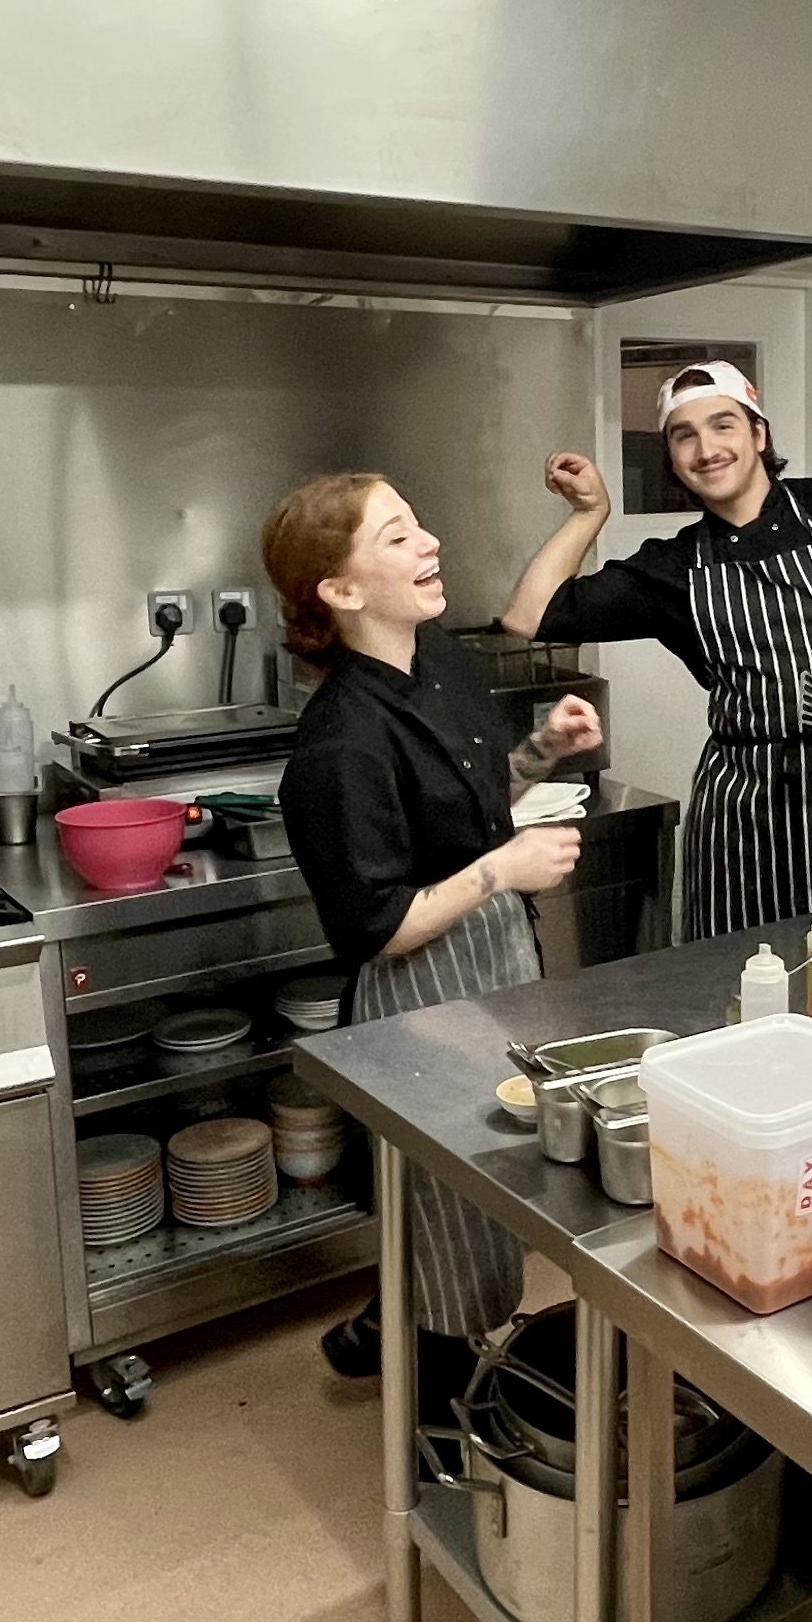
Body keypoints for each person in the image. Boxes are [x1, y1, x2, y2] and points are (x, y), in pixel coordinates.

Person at [262, 471, 601, 1402]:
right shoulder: (339, 745)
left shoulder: (441, 659)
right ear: (339, 590)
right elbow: (380, 928)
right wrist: (506, 870)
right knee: (452, 1212)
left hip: (497, 965)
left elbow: (479, 799)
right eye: (400, 536)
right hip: (420, 999)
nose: (432, 544)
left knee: (487, 1189)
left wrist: (547, 750)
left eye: (422, 525)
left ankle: (392, 1326)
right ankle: (443, 1422)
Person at [501, 361, 812, 942]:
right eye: (684, 435)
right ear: (672, 458)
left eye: (723, 425)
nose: (706, 448)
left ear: (758, 434)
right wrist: (590, 513)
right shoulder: (673, 565)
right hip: (739, 807)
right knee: (733, 975)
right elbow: (529, 615)